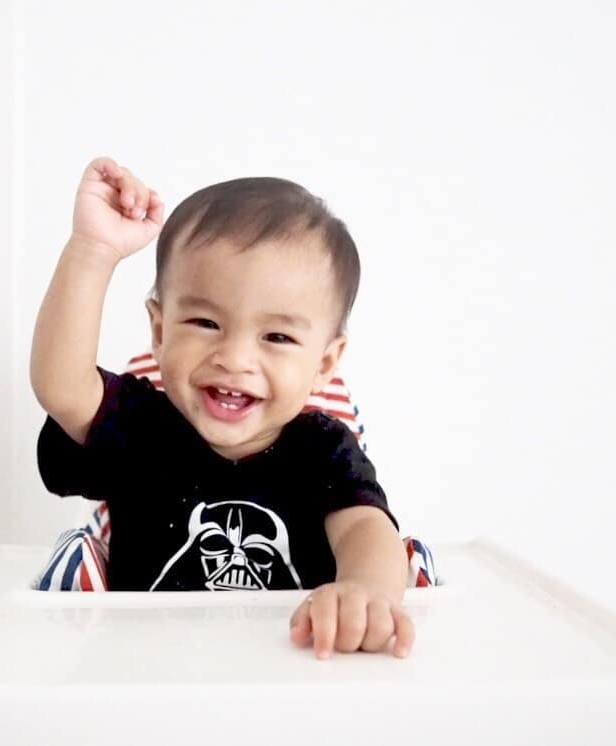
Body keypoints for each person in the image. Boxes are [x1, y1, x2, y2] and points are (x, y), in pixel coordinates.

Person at [31, 156, 414, 660]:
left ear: (324, 363)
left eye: (276, 336)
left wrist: (366, 590)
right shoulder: (142, 427)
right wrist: (93, 251)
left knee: (411, 561)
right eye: (206, 323)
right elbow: (62, 386)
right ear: (161, 332)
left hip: (293, 667)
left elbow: (366, 527)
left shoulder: (321, 448)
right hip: (141, 672)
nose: (234, 359)